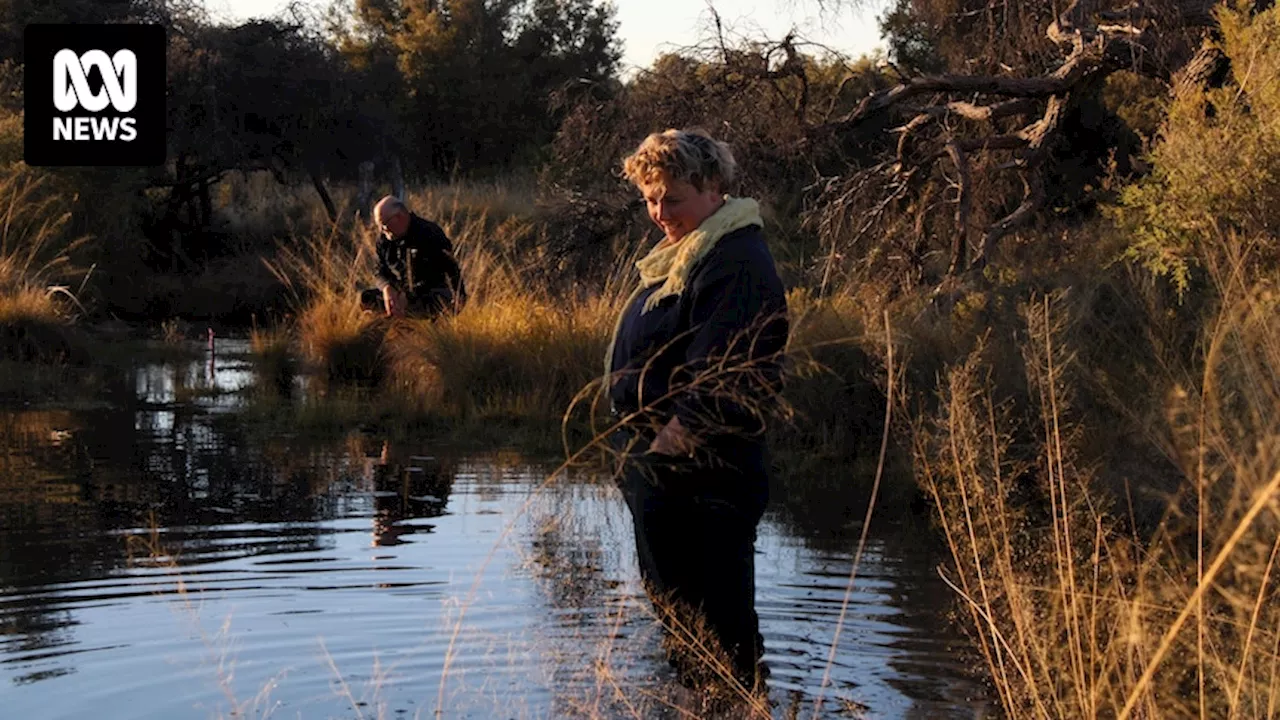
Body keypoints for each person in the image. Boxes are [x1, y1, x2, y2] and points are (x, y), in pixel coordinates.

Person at [604, 128, 789, 695]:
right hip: (669, 470)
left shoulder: (734, 259)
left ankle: (735, 706)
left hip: (701, 474)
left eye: (672, 199)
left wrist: (658, 459)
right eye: (650, 200)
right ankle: (709, 705)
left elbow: (725, 374)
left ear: (712, 187)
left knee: (716, 629)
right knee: (686, 624)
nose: (660, 213)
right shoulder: (687, 252)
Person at [360, 195, 466, 318]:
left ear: (399, 217)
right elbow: (379, 270)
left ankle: (408, 323)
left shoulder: (429, 233)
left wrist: (408, 296)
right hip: (399, 292)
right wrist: (387, 288)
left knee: (429, 302)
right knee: (366, 297)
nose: (382, 229)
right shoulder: (384, 239)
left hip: (430, 293)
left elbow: (441, 273)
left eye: (384, 224)